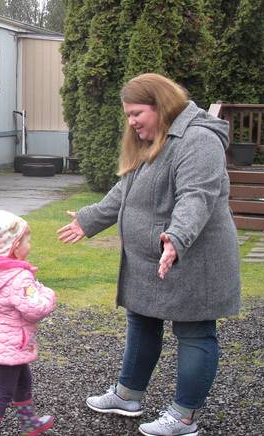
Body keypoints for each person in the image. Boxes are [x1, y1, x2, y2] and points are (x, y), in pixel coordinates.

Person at [57, 73, 240, 436]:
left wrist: (175, 238)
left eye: (136, 112)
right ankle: (128, 395)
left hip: (193, 259)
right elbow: (126, 190)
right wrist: (90, 219)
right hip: (148, 261)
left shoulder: (199, 140)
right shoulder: (153, 140)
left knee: (194, 333)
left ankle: (184, 416)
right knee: (141, 321)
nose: (131, 122)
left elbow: (196, 197)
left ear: (161, 105)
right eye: (127, 115)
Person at [0, 207, 56, 436]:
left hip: (1, 340)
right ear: (14, 246)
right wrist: (47, 294)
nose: (30, 244)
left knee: (23, 381)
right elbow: (34, 309)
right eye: (27, 239)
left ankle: (29, 422)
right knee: (1, 393)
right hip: (9, 343)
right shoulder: (18, 277)